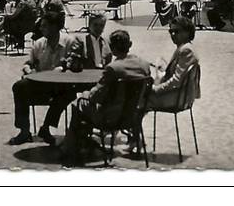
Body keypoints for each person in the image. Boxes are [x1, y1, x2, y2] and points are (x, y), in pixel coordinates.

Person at [60, 29, 151, 165]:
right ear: (130, 44)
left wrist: (85, 93)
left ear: (112, 49)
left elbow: (96, 96)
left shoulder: (113, 68)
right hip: (134, 116)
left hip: (110, 118)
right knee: (85, 103)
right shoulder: (144, 65)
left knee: (78, 103)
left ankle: (71, 148)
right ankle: (83, 142)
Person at [9, 11, 77, 146]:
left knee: (69, 93)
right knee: (19, 86)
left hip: (61, 86)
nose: (41, 28)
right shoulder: (39, 44)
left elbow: (75, 64)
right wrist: (27, 69)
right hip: (41, 85)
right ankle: (24, 131)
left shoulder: (70, 42)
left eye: (44, 26)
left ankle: (45, 128)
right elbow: (28, 63)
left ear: (55, 27)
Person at [147, 16, 200, 110]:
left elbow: (176, 81)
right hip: (179, 95)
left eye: (177, 31)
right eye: (171, 31)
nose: (173, 34)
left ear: (188, 32)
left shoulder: (186, 50)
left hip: (178, 98)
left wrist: (156, 89)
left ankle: (133, 124)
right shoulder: (184, 47)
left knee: (138, 99)